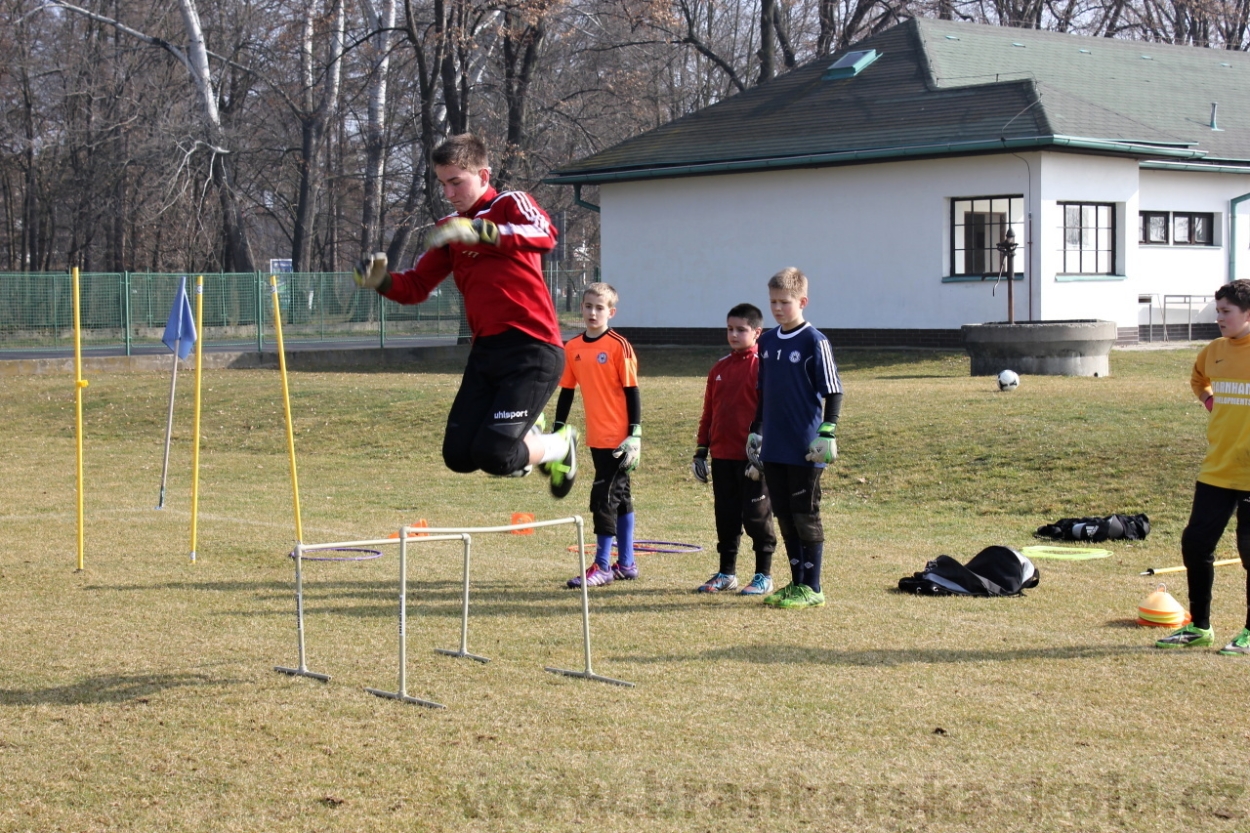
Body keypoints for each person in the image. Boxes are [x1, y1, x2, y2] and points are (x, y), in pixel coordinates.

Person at [352, 134, 576, 494]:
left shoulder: (509, 203)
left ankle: (558, 445)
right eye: (443, 184)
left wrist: (483, 232)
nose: (449, 193)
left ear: (483, 175)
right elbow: (416, 287)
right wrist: (381, 280)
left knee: (495, 456)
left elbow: (545, 234)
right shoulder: (449, 229)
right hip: (486, 353)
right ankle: (526, 438)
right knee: (458, 456)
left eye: (456, 181)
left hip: (532, 350)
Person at [1155, 278, 1250, 654]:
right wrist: (1211, 404)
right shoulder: (1214, 351)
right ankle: (1199, 626)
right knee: (1195, 544)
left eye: (1227, 312)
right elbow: (1198, 380)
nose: (1219, 318)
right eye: (1218, 311)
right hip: (1218, 468)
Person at [746, 267, 843, 610]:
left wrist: (827, 431)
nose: (777, 308)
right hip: (775, 444)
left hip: (804, 446)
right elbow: (763, 391)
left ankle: (813, 586)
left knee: (805, 514)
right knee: (784, 516)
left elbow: (833, 390)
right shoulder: (767, 341)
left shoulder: (814, 341)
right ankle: (796, 582)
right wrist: (756, 431)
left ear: (802, 301)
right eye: (773, 302)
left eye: (784, 302)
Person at [552, 283, 641, 587]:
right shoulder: (573, 347)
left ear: (611, 312)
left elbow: (633, 393)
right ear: (581, 308)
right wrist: (558, 427)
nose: (593, 312)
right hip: (595, 437)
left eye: (600, 308)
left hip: (619, 440)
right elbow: (566, 391)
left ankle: (602, 566)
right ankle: (626, 563)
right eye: (588, 306)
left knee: (603, 498)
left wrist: (635, 435)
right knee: (621, 498)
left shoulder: (619, 346)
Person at [692, 303, 778, 596]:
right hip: (723, 456)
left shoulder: (763, 367)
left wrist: (763, 455)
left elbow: (772, 412)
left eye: (741, 329)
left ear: (757, 332)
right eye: (730, 328)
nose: (734, 334)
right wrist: (701, 451)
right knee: (726, 517)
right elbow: (709, 413)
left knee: (756, 516)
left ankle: (763, 575)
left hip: (753, 459)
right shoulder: (719, 368)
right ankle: (726, 572)